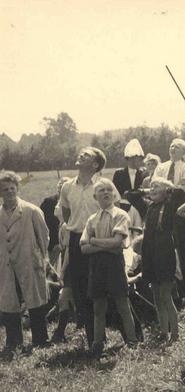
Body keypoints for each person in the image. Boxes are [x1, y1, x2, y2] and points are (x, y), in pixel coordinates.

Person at [56, 147, 117, 349]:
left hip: (97, 240)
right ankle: (94, 340)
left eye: (87, 155)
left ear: (95, 164)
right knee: (81, 290)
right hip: (76, 241)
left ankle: (132, 337)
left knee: (106, 288)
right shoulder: (67, 187)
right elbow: (65, 212)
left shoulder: (103, 187)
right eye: (80, 153)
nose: (80, 155)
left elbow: (112, 212)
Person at [79, 178, 138, 355]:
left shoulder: (120, 215)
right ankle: (98, 343)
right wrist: (106, 245)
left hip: (114, 265)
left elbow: (117, 243)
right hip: (97, 267)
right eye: (101, 190)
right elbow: (83, 247)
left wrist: (95, 241)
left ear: (114, 194)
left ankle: (133, 341)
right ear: (95, 196)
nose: (106, 193)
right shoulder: (92, 219)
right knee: (98, 305)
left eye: (109, 190)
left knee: (122, 303)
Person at [0, 171, 50, 353]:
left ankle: (40, 338)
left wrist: (40, 258)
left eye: (12, 188)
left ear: (18, 189)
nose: (9, 192)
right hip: (5, 264)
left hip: (29, 261)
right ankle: (13, 341)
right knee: (8, 303)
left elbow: (44, 237)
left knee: (35, 301)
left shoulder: (31, 211)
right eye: (4, 189)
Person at [141, 178, 182, 343]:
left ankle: (175, 333)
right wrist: (151, 190)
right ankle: (164, 331)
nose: (152, 189)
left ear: (166, 190)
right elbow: (133, 197)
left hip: (164, 253)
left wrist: (168, 189)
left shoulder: (170, 206)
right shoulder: (151, 207)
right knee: (156, 296)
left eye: (156, 186)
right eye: (150, 187)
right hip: (150, 253)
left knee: (166, 296)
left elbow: (178, 193)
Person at [153, 138, 185, 290]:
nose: (173, 149)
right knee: (165, 245)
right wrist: (171, 188)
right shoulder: (161, 167)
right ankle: (169, 282)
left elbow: (183, 189)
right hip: (162, 210)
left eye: (177, 147)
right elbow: (155, 185)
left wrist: (169, 189)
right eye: (171, 146)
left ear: (184, 152)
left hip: (179, 211)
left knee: (183, 245)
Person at [112, 138, 147, 219]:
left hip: (141, 210)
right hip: (123, 210)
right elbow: (115, 193)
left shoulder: (144, 173)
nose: (141, 162)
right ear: (131, 159)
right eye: (139, 159)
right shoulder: (119, 173)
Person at [40, 177, 69, 267]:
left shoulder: (73, 203)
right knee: (52, 265)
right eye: (60, 184)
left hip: (66, 241)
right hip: (51, 240)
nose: (62, 186)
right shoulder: (48, 202)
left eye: (65, 185)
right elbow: (41, 220)